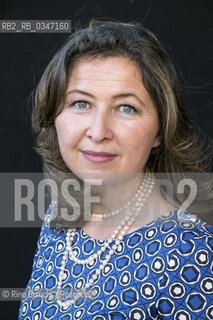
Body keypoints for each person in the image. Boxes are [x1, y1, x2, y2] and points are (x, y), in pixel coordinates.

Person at [18, 20, 213, 319]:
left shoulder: (192, 255)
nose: (98, 132)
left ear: (161, 130)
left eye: (126, 108)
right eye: (81, 103)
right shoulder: (61, 215)